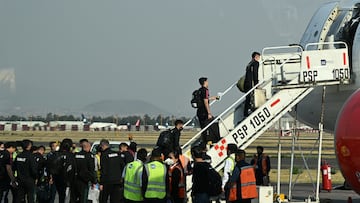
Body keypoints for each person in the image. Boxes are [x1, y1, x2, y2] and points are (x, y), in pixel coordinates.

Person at [99, 139, 125, 203]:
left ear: (102, 146)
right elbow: (122, 166)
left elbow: (103, 170)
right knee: (115, 199)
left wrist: (101, 183)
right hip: (117, 181)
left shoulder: (104, 155)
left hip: (107, 181)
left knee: (104, 199)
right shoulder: (116, 154)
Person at [54, 138, 77, 203]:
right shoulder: (71, 156)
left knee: (58, 196)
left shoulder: (56, 154)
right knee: (66, 197)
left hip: (57, 179)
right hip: (68, 180)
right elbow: (73, 168)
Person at [244, 52, 260, 117]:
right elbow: (255, 74)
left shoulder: (249, 64)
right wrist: (256, 84)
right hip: (251, 83)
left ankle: (245, 112)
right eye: (259, 57)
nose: (259, 59)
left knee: (247, 98)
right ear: (256, 57)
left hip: (246, 83)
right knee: (251, 97)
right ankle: (249, 110)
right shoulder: (256, 63)